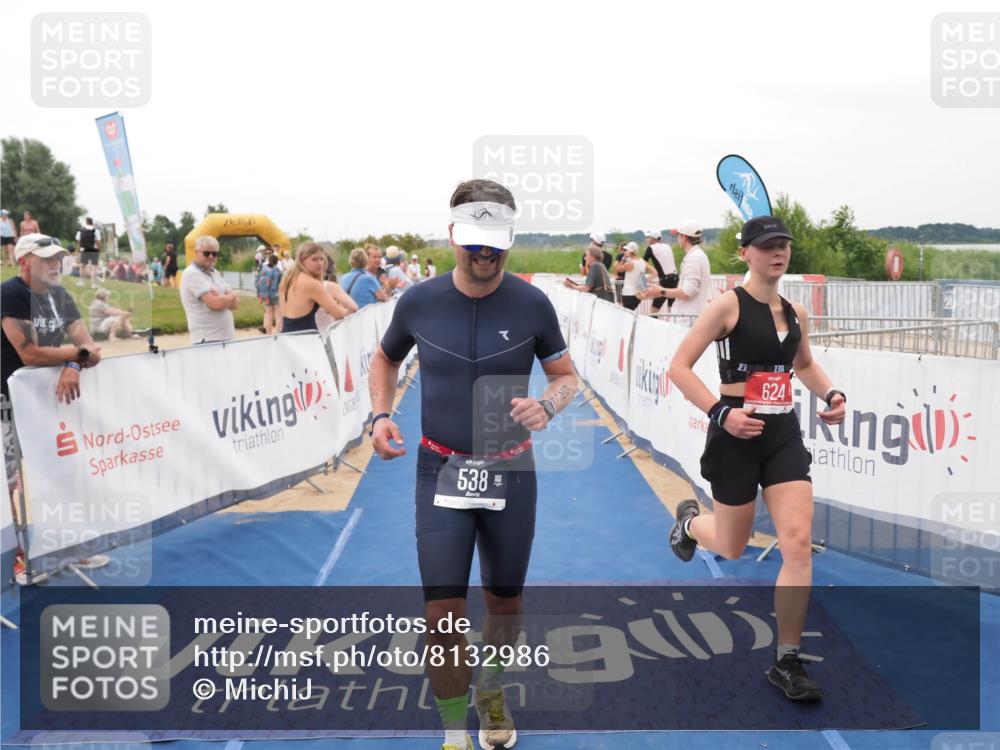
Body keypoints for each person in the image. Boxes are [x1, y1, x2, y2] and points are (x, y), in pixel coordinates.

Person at [370, 178, 578, 750]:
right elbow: (384, 359)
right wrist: (380, 415)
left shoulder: (533, 304)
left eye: (496, 243)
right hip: (439, 470)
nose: (485, 254)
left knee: (506, 601)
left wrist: (547, 406)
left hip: (511, 469)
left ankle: (492, 688)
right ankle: (453, 733)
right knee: (441, 611)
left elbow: (566, 378)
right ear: (453, 234)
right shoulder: (419, 301)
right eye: (475, 242)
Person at [667, 215, 847, 703]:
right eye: (767, 245)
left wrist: (830, 392)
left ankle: (786, 659)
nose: (778, 252)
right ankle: (689, 524)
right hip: (735, 437)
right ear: (745, 253)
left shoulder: (796, 312)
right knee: (730, 546)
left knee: (797, 541)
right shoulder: (726, 307)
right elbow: (678, 368)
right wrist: (721, 412)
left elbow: (804, 365)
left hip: (782, 434)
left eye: (784, 244)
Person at [1, 234, 102, 405]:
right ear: (23, 262)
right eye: (47, 259)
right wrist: (81, 354)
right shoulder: (10, 293)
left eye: (58, 258)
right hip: (10, 405)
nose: (56, 265)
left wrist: (74, 365)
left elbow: (90, 346)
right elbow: (31, 355)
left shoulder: (60, 295)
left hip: (45, 400)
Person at [278, 242, 354, 333]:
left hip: (286, 336)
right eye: (314, 260)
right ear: (302, 261)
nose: (320, 263)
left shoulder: (287, 279)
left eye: (321, 259)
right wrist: (352, 309)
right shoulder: (312, 284)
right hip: (306, 339)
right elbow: (339, 314)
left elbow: (282, 315)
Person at [643, 220, 712, 316]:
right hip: (675, 280)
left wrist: (661, 291)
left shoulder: (694, 258)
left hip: (687, 318)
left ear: (684, 237)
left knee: (654, 310)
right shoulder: (698, 255)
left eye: (678, 235)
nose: (677, 238)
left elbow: (688, 292)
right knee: (670, 308)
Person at [179, 236, 239, 344]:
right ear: (197, 252)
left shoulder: (214, 272)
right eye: (206, 253)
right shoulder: (191, 273)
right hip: (208, 340)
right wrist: (231, 296)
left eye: (214, 253)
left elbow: (235, 305)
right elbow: (216, 304)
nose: (211, 256)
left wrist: (224, 298)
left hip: (224, 338)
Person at [315, 255, 360, 330]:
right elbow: (353, 307)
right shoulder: (329, 286)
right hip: (326, 333)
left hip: (301, 338)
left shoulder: (296, 287)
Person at [643, 229, 678, 312]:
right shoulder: (667, 246)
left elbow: (642, 263)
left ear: (652, 238)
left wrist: (652, 274)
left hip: (665, 280)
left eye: (648, 237)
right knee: (672, 309)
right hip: (675, 278)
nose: (647, 239)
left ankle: (653, 324)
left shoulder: (651, 248)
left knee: (654, 310)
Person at [615, 241, 647, 311]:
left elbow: (617, 269)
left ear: (630, 251)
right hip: (638, 293)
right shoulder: (642, 262)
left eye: (626, 250)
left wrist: (623, 259)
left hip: (628, 293)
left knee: (627, 316)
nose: (625, 252)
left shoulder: (630, 263)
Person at [256, 254, 282, 334]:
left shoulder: (263, 270)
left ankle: (267, 334)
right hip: (276, 295)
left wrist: (259, 293)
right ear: (277, 262)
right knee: (279, 315)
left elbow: (258, 281)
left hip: (265, 295)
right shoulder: (278, 270)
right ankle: (278, 334)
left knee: (268, 314)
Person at [75, 217, 102, 288]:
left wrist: (79, 250)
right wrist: (99, 249)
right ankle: (93, 284)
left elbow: (78, 241)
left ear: (86, 222)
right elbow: (98, 241)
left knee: (82, 266)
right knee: (94, 267)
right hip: (94, 250)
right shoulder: (96, 230)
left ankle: (81, 282)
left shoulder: (81, 230)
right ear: (92, 222)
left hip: (84, 249)